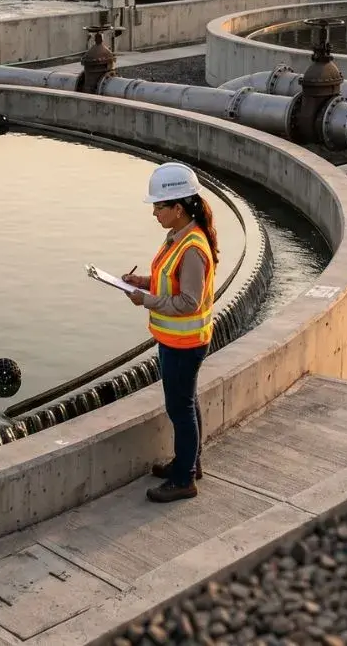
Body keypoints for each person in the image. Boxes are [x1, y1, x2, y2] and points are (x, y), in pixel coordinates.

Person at [121, 162, 218, 503]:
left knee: (180, 409)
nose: (154, 213)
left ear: (178, 208)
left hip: (184, 343)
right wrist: (142, 282)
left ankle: (184, 479)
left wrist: (145, 300)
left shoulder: (191, 248)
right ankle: (190, 463)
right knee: (186, 403)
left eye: (159, 207)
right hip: (177, 341)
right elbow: (169, 280)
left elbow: (189, 302)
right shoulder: (179, 237)